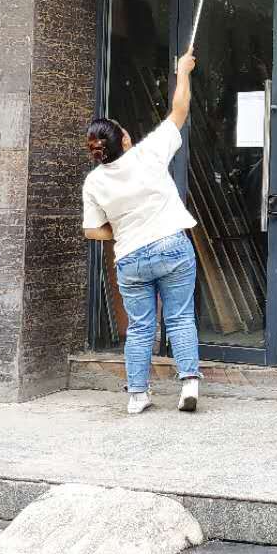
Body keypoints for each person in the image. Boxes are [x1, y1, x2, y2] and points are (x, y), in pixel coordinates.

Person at [82, 51, 201, 415]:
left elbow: (92, 230)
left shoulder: (94, 182)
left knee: (140, 327)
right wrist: (182, 72)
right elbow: (179, 110)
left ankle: (137, 395)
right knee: (180, 317)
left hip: (131, 257)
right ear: (124, 140)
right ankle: (189, 384)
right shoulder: (148, 153)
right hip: (171, 246)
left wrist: (121, 229)